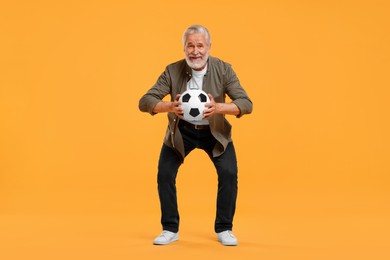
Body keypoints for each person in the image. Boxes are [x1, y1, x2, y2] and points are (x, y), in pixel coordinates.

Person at [139, 24, 253, 246]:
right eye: (190, 46)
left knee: (229, 174)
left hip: (215, 132)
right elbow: (145, 101)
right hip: (181, 132)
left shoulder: (224, 69)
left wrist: (218, 108)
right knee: (164, 174)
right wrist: (169, 106)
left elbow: (246, 104)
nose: (195, 51)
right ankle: (170, 229)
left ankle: (224, 228)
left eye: (200, 45)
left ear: (209, 47)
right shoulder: (172, 70)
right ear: (184, 48)